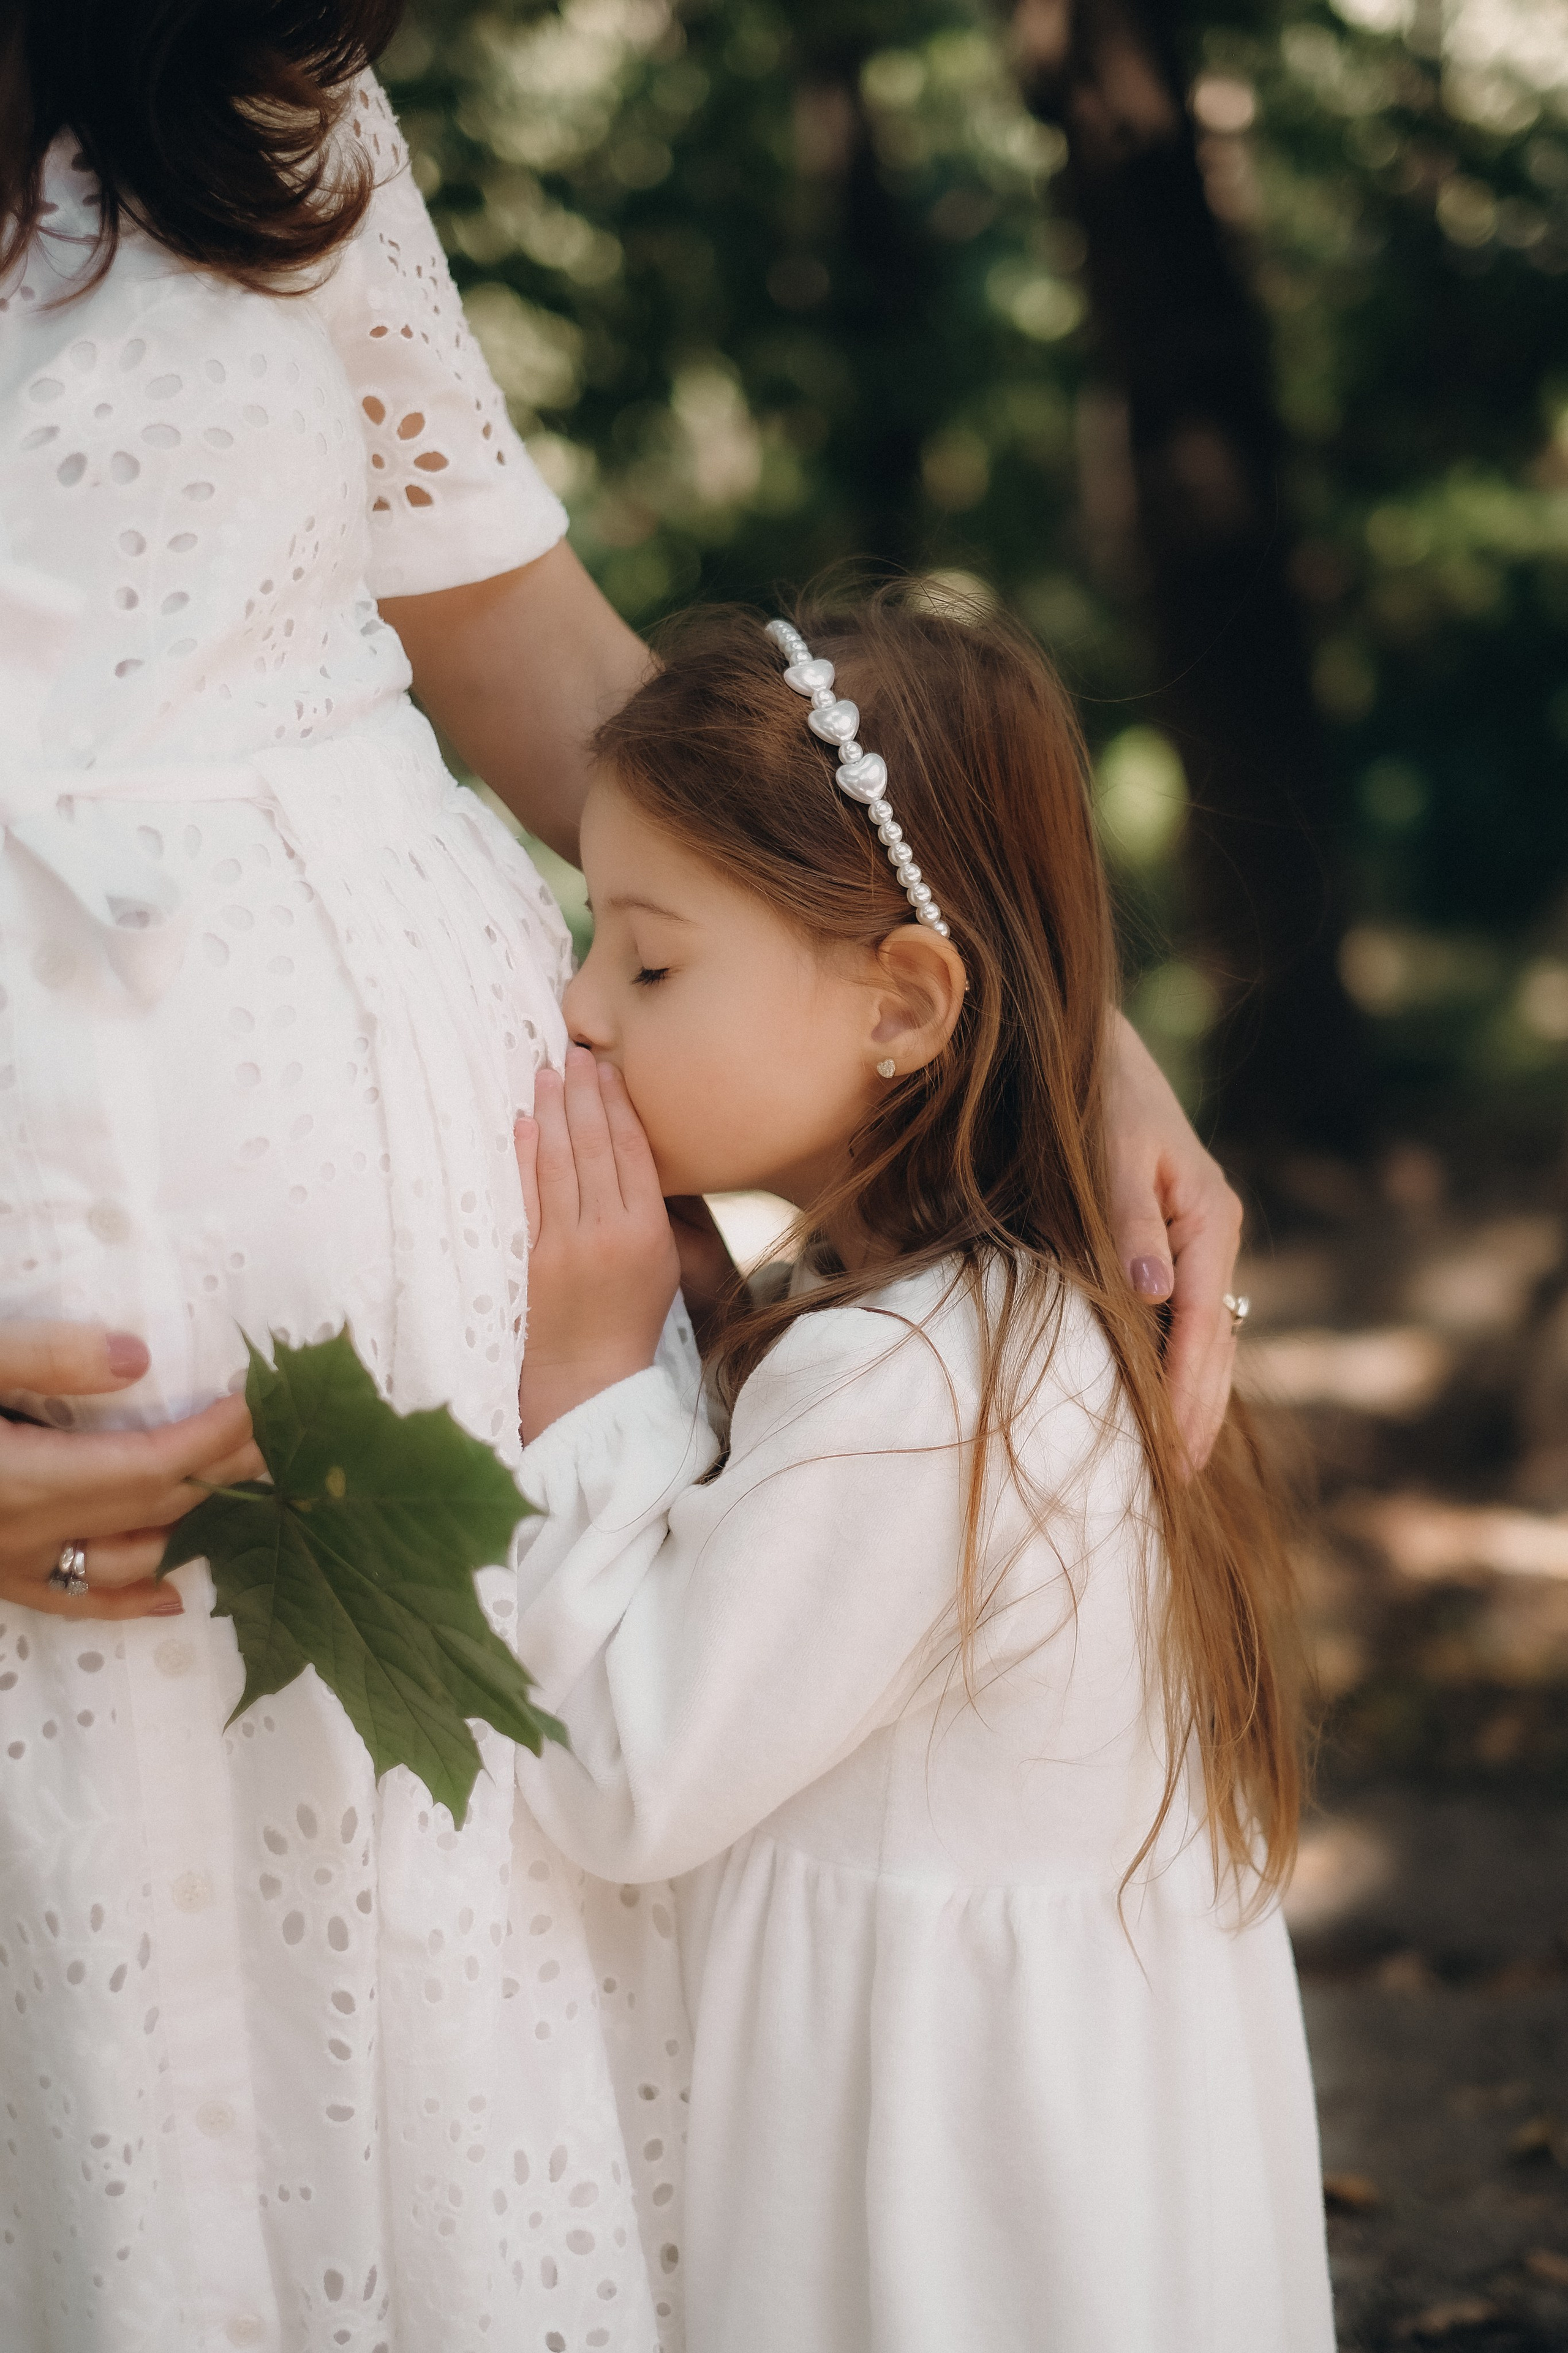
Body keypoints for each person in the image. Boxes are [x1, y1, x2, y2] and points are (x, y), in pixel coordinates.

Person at [0, 6, 1247, 2346]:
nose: (595, 1005)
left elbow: (566, 677)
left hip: (475, 1408)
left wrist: (1061, 1030)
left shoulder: (242, 86)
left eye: (640, 964)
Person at [507, 597, 1333, 2353]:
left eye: (648, 964)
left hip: (950, 2209)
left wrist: (587, 1388)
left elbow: (626, 1778)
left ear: (903, 1001)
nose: (579, 1012)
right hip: (1062, 2157)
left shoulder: (911, 1385)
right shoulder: (1007, 1323)